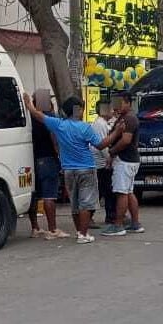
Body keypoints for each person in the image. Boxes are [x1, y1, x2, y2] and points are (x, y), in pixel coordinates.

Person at [23, 92, 113, 244]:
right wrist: (116, 133)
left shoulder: (59, 124)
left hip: (68, 171)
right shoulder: (85, 128)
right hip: (86, 168)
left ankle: (79, 231)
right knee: (86, 203)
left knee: (75, 203)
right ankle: (83, 234)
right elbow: (101, 145)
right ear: (78, 110)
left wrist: (29, 105)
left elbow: (38, 115)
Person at [102, 93, 144, 236]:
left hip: (125, 160)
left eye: (120, 103)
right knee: (128, 191)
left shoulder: (129, 119)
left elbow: (126, 140)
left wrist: (112, 151)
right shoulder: (124, 117)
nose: (116, 106)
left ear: (128, 103)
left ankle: (118, 225)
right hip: (129, 160)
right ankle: (135, 223)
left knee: (122, 192)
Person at [28, 89, 65, 239]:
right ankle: (52, 229)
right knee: (49, 196)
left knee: (35, 195)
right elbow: (54, 140)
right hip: (49, 159)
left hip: (34, 160)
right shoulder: (48, 117)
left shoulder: (30, 118)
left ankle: (35, 227)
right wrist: (59, 156)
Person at [90, 101, 117, 227]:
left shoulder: (102, 123)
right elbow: (103, 145)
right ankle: (109, 216)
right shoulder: (100, 124)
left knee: (104, 190)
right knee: (104, 191)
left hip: (100, 162)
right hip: (101, 163)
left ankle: (110, 215)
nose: (112, 111)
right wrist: (109, 159)